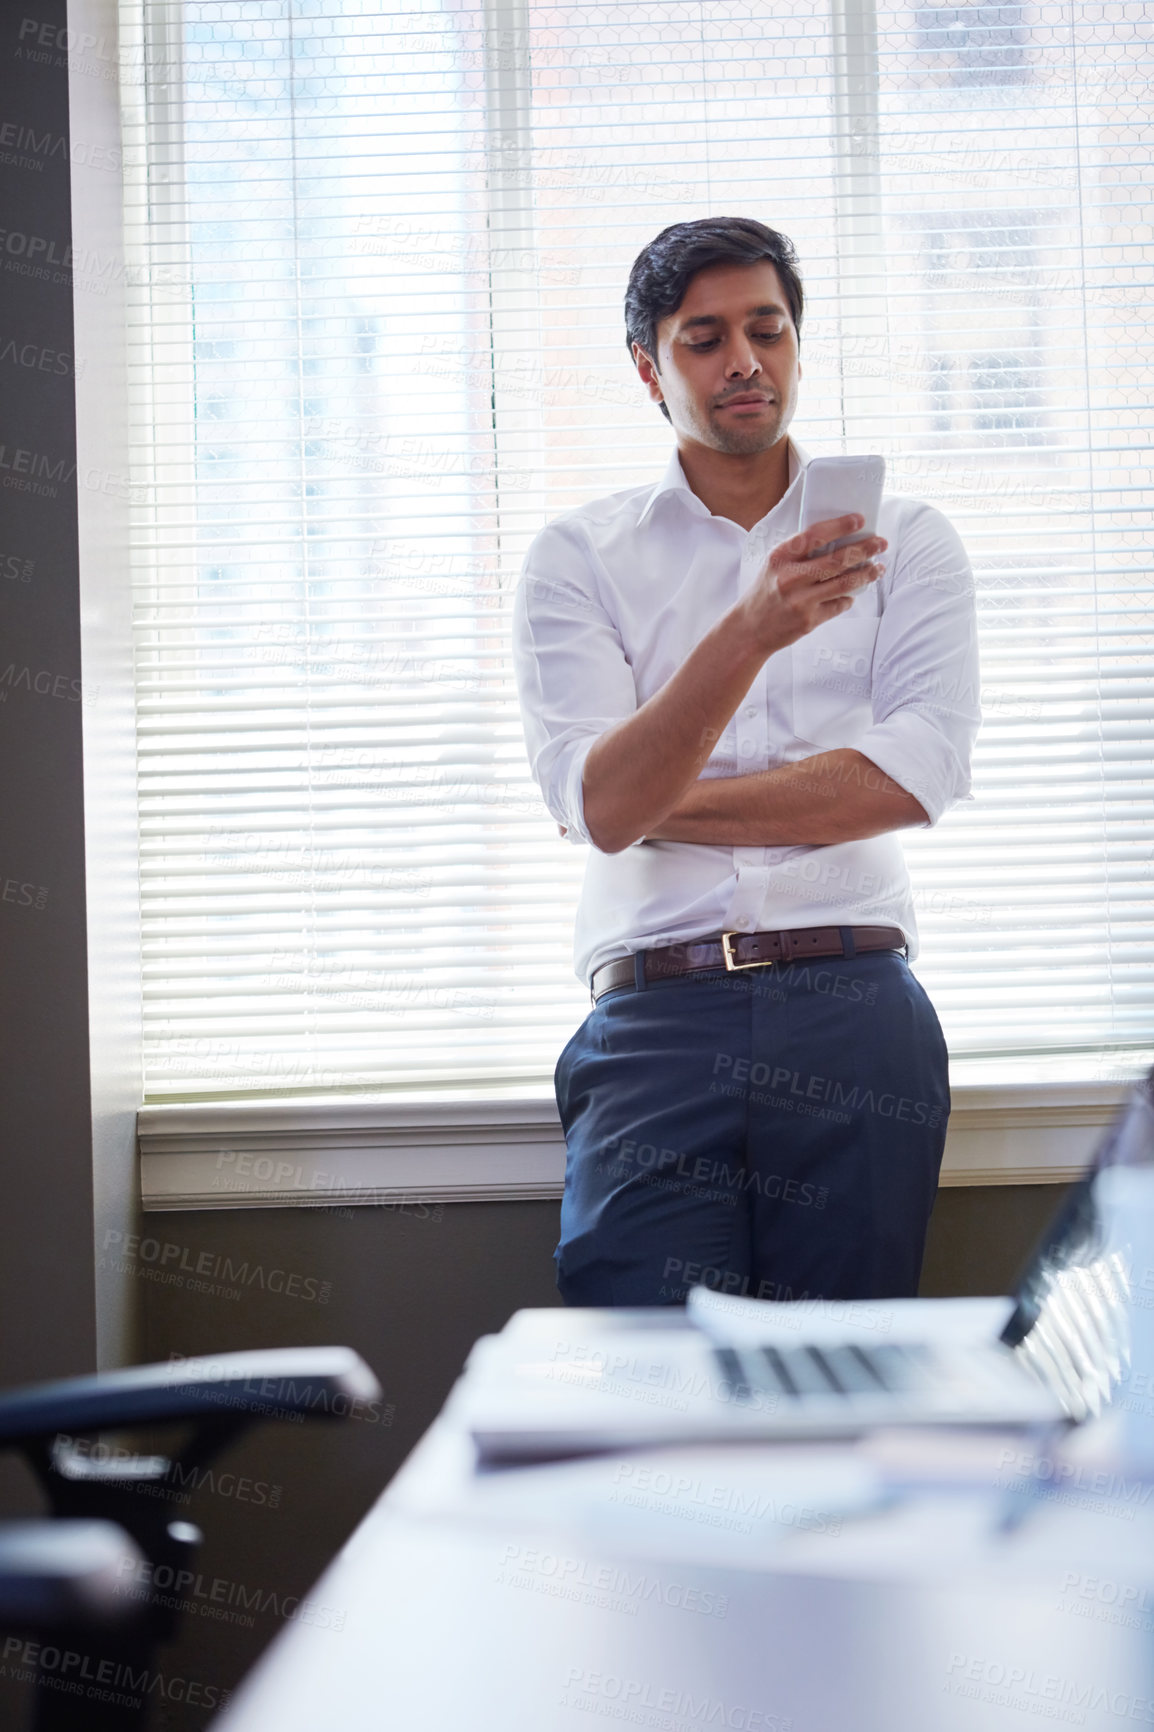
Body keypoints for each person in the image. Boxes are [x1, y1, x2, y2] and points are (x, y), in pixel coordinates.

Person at [513, 217, 980, 1308]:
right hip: (654, 1019)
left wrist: (656, 800)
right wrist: (751, 630)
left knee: (841, 1385)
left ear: (796, 349)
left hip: (854, 1006)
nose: (743, 362)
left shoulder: (904, 540)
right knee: (642, 1385)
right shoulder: (576, 557)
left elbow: (911, 776)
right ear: (648, 367)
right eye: (704, 338)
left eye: (765, 331)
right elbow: (595, 799)